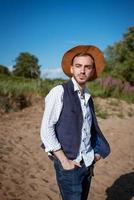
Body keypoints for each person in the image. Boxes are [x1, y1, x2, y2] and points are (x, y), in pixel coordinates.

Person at [40, 45, 110, 200]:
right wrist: (64, 161)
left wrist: (95, 155)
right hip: (69, 164)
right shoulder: (59, 91)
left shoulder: (88, 96)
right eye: (78, 66)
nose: (82, 71)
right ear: (71, 69)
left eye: (87, 67)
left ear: (92, 71)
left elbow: (90, 129)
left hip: (87, 164)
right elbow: (46, 129)